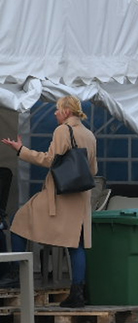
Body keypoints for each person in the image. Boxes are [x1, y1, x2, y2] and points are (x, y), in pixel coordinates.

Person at [3, 95, 97, 308]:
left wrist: (21, 150)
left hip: (60, 194)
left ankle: (17, 274)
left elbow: (50, 160)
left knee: (19, 222)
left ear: (66, 111)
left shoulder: (63, 130)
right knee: (76, 243)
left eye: (57, 109)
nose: (55, 113)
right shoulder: (89, 134)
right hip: (80, 195)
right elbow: (93, 170)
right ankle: (78, 293)